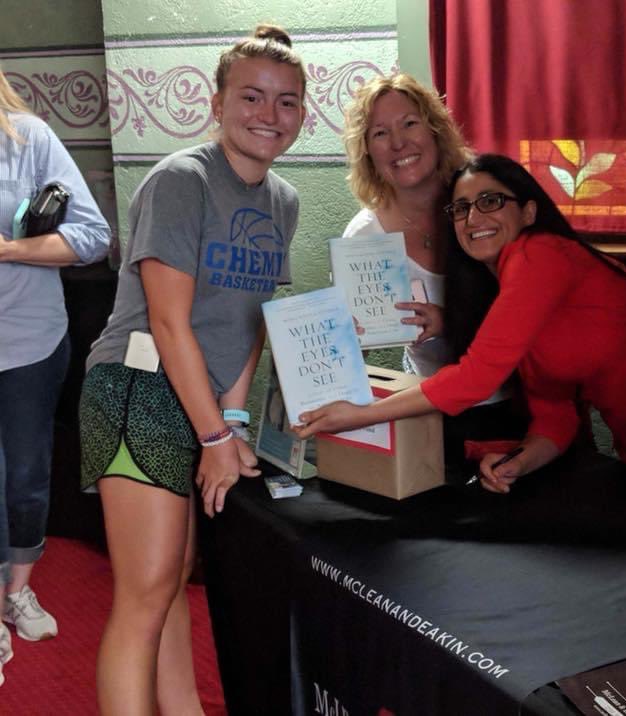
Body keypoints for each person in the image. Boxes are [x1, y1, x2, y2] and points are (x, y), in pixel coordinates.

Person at [296, 154, 626, 514]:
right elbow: (554, 415)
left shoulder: (542, 255)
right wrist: (517, 463)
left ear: (529, 210)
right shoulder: (512, 291)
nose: (472, 217)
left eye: (491, 200)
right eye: (461, 207)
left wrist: (356, 412)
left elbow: (475, 377)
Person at [77, 24, 304, 714]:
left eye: (286, 102)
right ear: (217, 103)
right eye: (252, 98)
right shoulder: (182, 180)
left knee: (174, 578)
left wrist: (231, 422)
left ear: (303, 113)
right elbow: (169, 323)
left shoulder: (284, 201)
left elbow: (249, 324)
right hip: (135, 386)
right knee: (145, 590)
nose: (269, 116)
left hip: (200, 401)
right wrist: (212, 438)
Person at [340, 75, 527, 470]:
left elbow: (530, 310)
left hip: (524, 404)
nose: (398, 143)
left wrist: (450, 322)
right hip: (433, 414)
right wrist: (348, 338)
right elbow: (356, 353)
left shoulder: (483, 204)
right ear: (366, 151)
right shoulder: (364, 236)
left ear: (436, 130)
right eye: (379, 133)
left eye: (409, 123)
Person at [0, 65, 111, 683]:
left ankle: (18, 589)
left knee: (24, 479)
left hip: (28, 345)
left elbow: (93, 236)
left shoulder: (28, 138)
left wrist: (9, 249)